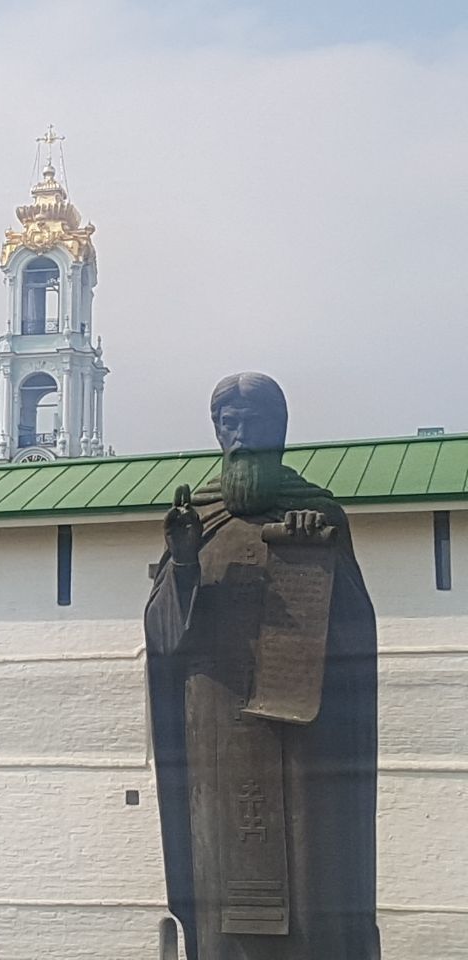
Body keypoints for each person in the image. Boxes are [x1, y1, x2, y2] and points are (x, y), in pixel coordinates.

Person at [145, 372, 380, 959]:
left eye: (253, 420)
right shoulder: (199, 520)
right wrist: (180, 563)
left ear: (279, 430)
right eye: (227, 420)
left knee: (307, 869)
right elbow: (163, 637)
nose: (239, 432)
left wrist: (314, 557)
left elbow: (356, 634)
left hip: (300, 735)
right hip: (214, 731)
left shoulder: (318, 512)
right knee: (221, 866)